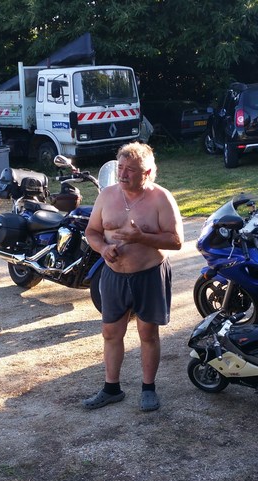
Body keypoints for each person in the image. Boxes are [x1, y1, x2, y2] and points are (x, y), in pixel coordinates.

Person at [82, 142, 184, 412]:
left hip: (149, 275)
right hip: (114, 275)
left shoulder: (161, 198)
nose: (123, 174)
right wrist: (103, 248)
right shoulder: (107, 196)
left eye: (130, 170)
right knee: (110, 332)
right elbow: (92, 232)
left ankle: (148, 388)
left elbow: (176, 241)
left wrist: (142, 237)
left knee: (147, 333)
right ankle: (111, 388)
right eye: (120, 168)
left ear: (147, 173)